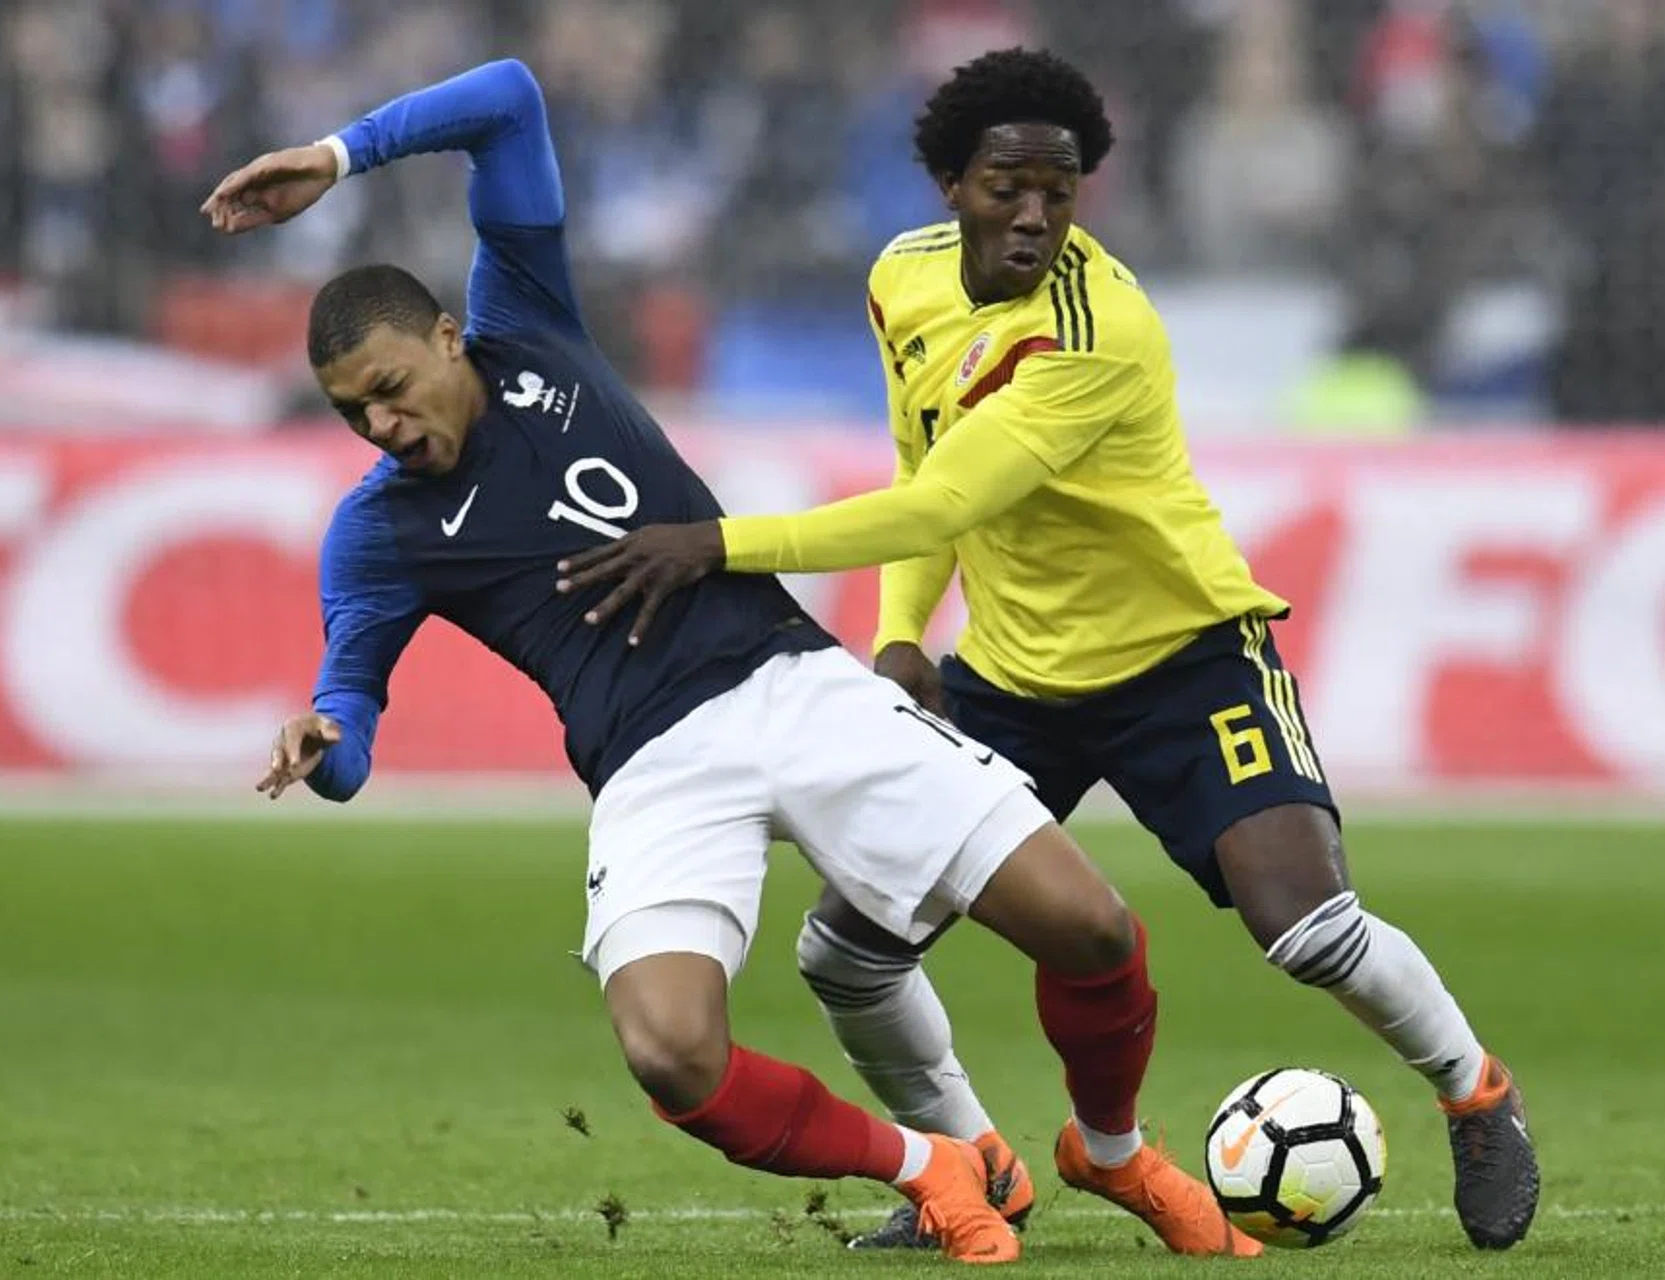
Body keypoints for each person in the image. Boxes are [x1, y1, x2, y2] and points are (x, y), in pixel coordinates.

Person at [205, 58, 1259, 1264]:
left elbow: (506, 98)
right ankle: (937, 1166)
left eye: (391, 389)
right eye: (353, 414)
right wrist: (329, 741)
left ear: (449, 335)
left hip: (792, 682)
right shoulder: (375, 531)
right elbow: (354, 700)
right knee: (668, 1050)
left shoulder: (529, 322)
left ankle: (1112, 1150)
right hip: (653, 765)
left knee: (1094, 929)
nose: (383, 426)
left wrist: (338, 158)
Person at [556, 47, 1541, 1252]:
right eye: (1004, 186)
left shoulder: (1097, 327)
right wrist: (905, 631)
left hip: (1184, 656)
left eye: (1057, 193)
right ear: (949, 182)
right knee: (848, 953)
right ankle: (972, 1171)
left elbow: (933, 507)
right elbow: (926, 469)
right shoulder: (902, 279)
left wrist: (720, 544)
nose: (1032, 215)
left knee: (1306, 924)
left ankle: (1475, 1090)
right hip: (1015, 674)